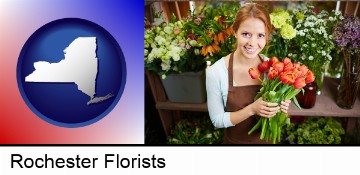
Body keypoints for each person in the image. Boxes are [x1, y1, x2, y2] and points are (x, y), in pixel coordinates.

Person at [206, 3, 291, 144]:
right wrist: (252, 109)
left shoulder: (273, 66)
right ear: (235, 32)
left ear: (267, 36)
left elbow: (277, 113)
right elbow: (217, 120)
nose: (252, 43)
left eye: (260, 35)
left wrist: (281, 106)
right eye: (246, 34)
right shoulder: (216, 72)